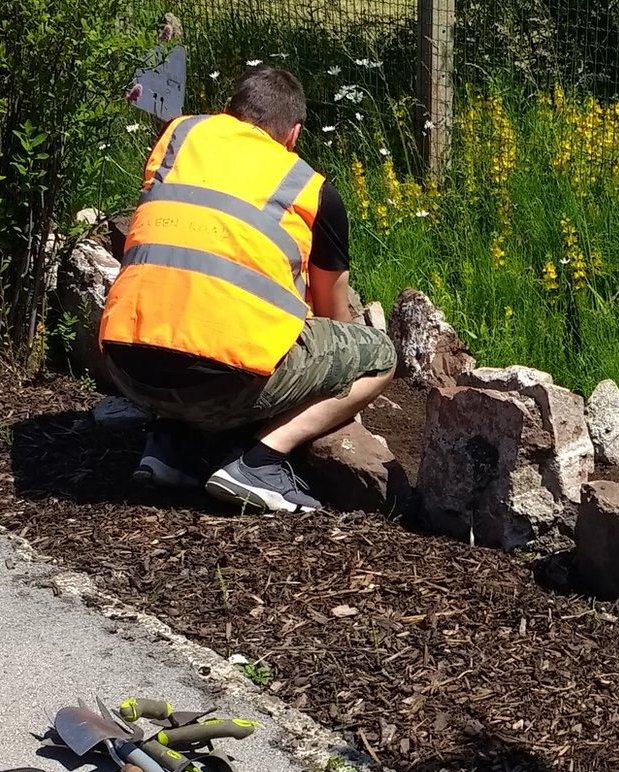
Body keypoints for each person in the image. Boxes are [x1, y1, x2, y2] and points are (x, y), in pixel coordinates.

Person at [98, 66, 396, 512]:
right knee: (379, 356)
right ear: (293, 134)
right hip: (223, 388)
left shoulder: (178, 138)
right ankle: (261, 461)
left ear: (230, 113)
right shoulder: (311, 188)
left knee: (181, 303)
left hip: (126, 369)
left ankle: (171, 444)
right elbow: (335, 315)